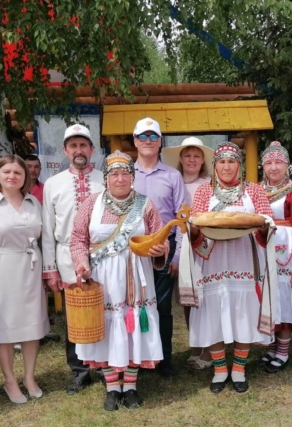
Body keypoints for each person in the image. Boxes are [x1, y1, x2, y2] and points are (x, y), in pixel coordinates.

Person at [70, 150, 167, 411]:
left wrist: (160, 250)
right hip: (103, 276)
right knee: (108, 328)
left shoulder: (145, 204)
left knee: (135, 325)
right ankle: (113, 388)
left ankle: (131, 387)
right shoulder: (91, 203)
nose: (120, 178)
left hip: (137, 274)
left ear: (132, 177)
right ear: (107, 178)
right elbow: (78, 238)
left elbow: (160, 237)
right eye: (114, 173)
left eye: (126, 173)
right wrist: (81, 263)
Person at [178, 141, 276, 394]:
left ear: (239, 165)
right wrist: (194, 227)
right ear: (215, 165)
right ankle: (220, 369)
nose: (226, 166)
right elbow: (196, 226)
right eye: (222, 161)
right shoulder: (203, 191)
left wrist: (263, 227)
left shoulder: (253, 190)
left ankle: (239, 369)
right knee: (213, 315)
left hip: (243, 259)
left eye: (232, 161)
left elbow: (267, 223)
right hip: (212, 261)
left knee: (243, 314)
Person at [0, 155, 50, 405]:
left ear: (25, 176)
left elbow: (44, 239)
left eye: (18, 172)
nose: (12, 176)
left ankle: (29, 377)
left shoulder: (34, 203)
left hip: (30, 269)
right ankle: (9, 380)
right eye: (7, 172)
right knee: (4, 329)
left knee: (31, 325)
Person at [41, 124, 105, 395]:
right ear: (66, 151)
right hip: (67, 257)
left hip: (103, 255)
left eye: (83, 145)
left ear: (92, 149)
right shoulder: (53, 185)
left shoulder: (106, 179)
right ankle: (79, 370)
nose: (79, 151)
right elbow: (46, 228)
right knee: (74, 317)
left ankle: (104, 366)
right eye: (73, 146)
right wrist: (50, 270)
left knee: (105, 312)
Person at [132, 117, 189, 378]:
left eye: (153, 136)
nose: (147, 141)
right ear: (135, 141)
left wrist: (176, 255)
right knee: (135, 304)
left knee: (162, 307)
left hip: (165, 248)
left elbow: (182, 218)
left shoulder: (172, 175)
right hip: (131, 250)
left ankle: (164, 360)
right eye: (142, 136)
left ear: (160, 142)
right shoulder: (124, 174)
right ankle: (138, 358)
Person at [258, 141, 292, 373]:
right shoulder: (257, 190)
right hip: (263, 248)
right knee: (268, 299)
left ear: (287, 165)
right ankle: (271, 346)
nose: (273, 167)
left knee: (284, 299)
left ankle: (282, 350)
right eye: (269, 162)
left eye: (278, 163)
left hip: (286, 252)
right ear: (263, 165)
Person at [161, 136, 214, 369]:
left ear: (202, 160)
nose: (192, 159)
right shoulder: (172, 181)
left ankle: (210, 349)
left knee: (206, 297)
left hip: (203, 245)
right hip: (179, 246)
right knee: (186, 298)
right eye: (187, 155)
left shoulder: (210, 184)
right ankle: (195, 345)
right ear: (180, 159)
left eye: (196, 155)